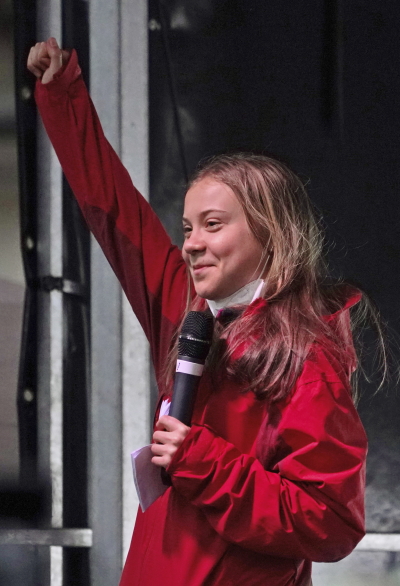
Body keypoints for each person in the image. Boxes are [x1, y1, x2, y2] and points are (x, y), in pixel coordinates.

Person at [28, 38, 370, 586]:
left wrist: (203, 462)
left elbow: (330, 521)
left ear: (271, 233)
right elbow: (115, 211)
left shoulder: (308, 358)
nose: (191, 244)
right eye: (187, 228)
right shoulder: (185, 311)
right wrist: (62, 97)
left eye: (212, 225)